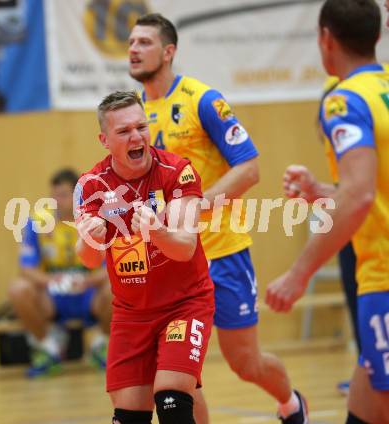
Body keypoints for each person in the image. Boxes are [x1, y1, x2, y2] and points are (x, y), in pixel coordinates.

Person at [128, 13, 308, 424]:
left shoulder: (201, 100)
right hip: (172, 259)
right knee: (176, 372)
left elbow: (250, 168)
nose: (134, 49)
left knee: (245, 361)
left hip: (222, 252)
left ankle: (291, 405)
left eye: (144, 42)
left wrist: (195, 205)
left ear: (169, 51)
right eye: (131, 42)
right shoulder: (133, 114)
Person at [266, 0, 389, 422]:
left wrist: (297, 274)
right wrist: (323, 192)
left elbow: (359, 198)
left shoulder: (344, 101)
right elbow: (371, 187)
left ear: (325, 38)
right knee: (365, 405)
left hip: (385, 274)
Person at [74, 90, 215, 424]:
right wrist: (90, 241)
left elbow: (185, 247)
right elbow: (88, 260)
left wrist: (158, 232)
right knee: (129, 416)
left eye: (141, 126)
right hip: (131, 314)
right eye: (124, 131)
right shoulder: (91, 185)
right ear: (105, 140)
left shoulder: (177, 171)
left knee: (172, 400)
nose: (136, 136)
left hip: (185, 303)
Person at [9, 169, 112, 377]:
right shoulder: (37, 222)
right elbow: (26, 268)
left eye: (63, 195)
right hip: (54, 295)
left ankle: (103, 345)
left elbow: (112, 267)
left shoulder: (97, 220)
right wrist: (50, 280)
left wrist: (89, 281)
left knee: (118, 288)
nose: (57, 200)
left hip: (89, 294)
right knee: (18, 289)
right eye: (54, 195)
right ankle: (49, 348)